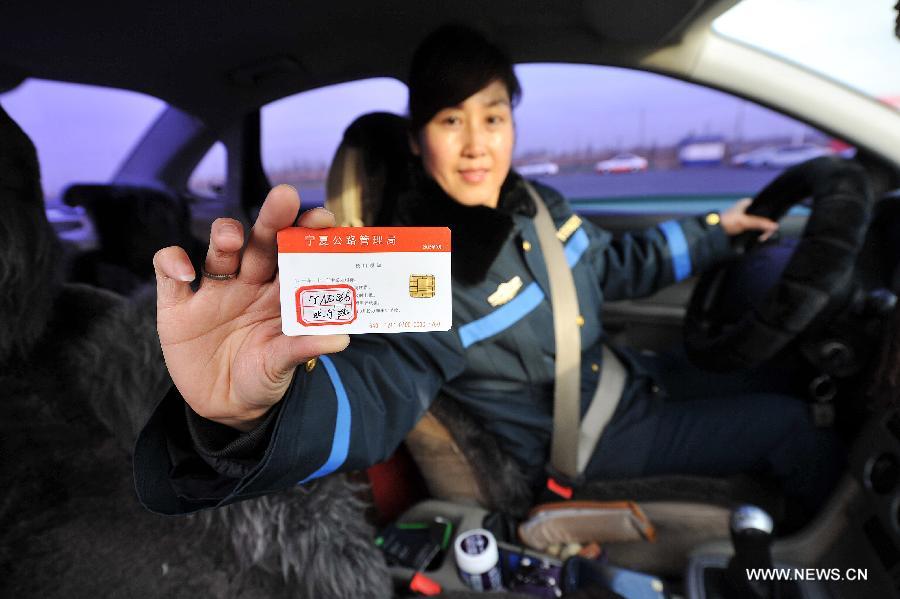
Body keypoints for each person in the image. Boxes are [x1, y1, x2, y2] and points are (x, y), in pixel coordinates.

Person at [136, 25, 842, 517]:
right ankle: (827, 553)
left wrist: (722, 228)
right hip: (589, 438)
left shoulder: (540, 204)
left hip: (626, 377)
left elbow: (620, 262)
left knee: (782, 370)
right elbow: (380, 386)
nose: (477, 145)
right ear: (418, 142)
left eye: (494, 117)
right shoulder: (413, 267)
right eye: (450, 121)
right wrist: (245, 420)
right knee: (791, 427)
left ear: (513, 126)